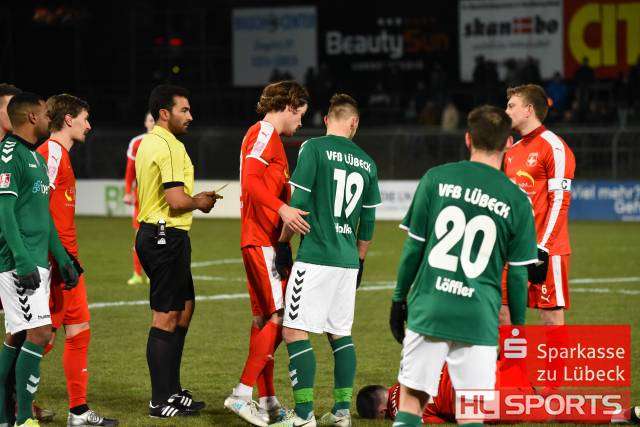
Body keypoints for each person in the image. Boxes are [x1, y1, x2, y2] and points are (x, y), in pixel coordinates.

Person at [389, 105, 538, 427]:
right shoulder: (517, 200)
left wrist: (399, 299)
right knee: (471, 411)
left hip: (430, 308)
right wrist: (517, 328)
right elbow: (518, 274)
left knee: (412, 401)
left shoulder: (436, 178)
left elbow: (414, 248)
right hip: (479, 315)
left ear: (468, 139)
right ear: (508, 143)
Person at [272, 93, 382, 427]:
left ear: (325, 120)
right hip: (347, 261)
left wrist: (282, 243)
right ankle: (341, 412)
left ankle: (304, 415)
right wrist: (360, 261)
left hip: (316, 256)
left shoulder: (314, 148)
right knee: (340, 334)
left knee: (294, 331)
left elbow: (298, 203)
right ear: (354, 123)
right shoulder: (367, 162)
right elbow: (369, 222)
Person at [224, 80, 310, 427]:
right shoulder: (263, 132)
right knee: (281, 317)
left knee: (263, 320)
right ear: (289, 106)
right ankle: (242, 393)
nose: (301, 122)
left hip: (266, 241)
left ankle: (268, 401)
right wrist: (282, 209)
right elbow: (250, 182)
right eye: (300, 114)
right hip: (261, 240)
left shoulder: (272, 140)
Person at [134, 84, 217, 418]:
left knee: (184, 309)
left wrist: (194, 200)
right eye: (184, 110)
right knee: (167, 315)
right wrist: (201, 201)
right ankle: (159, 400)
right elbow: (176, 200)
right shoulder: (168, 145)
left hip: (166, 235)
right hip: (163, 235)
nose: (190, 116)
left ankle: (172, 390)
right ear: (164, 113)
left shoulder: (150, 141)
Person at [37, 94, 118, 426]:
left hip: (69, 263)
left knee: (79, 330)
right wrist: (57, 258)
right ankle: (11, 401)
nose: (89, 125)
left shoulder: (63, 156)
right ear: (68, 119)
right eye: (85, 118)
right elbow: (37, 208)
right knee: (39, 338)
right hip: (53, 263)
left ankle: (78, 412)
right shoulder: (51, 153)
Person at [0, 92, 79, 427]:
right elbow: (4, 211)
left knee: (19, 337)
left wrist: (63, 259)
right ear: (32, 117)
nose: (50, 118)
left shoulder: (34, 157)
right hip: (19, 263)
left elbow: (42, 217)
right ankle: (22, 419)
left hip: (38, 262)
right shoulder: (8, 155)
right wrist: (21, 260)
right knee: (40, 333)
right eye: (46, 114)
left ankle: (5, 418)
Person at [502, 84, 576, 326]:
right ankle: (513, 354)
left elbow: (560, 201)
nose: (506, 111)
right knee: (503, 312)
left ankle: (555, 357)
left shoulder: (554, 146)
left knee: (550, 317)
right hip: (514, 249)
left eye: (511, 106)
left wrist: (542, 248)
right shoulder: (511, 151)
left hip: (546, 249)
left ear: (529, 109)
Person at [356, 364, 640, 424]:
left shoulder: (404, 412)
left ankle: (623, 415)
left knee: (550, 410)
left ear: (381, 411)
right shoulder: (408, 373)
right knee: (543, 392)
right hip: (485, 368)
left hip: (476, 400)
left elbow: (439, 420)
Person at [123, 112, 155, 286]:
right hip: (141, 197)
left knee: (159, 236)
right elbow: (130, 169)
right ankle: (137, 273)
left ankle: (153, 273)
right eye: (150, 119)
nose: (153, 122)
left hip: (160, 198)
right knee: (139, 237)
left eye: (155, 119)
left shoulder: (167, 142)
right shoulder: (137, 142)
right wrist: (128, 191)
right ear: (145, 123)